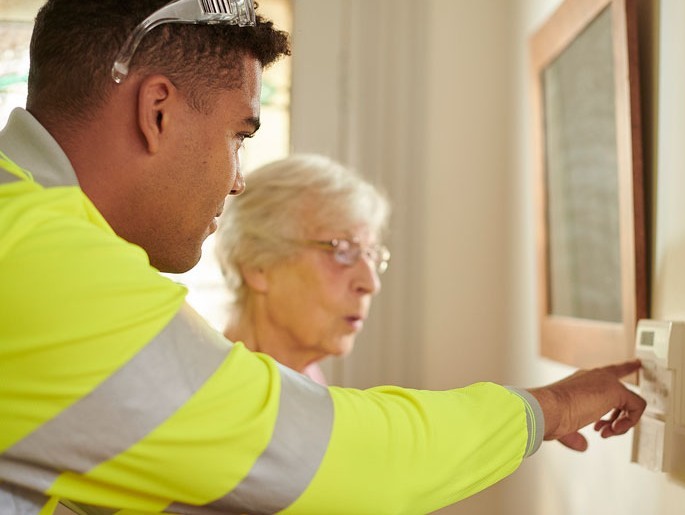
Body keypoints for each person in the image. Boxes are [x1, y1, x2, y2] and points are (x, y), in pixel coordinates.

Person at [0, 1, 646, 514]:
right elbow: (350, 457)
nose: (236, 179)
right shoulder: (43, 261)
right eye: (238, 136)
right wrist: (550, 407)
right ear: (158, 111)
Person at [214, 154, 390, 386]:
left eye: (369, 254)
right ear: (257, 265)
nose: (370, 284)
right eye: (341, 250)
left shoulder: (306, 380)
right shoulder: (209, 394)